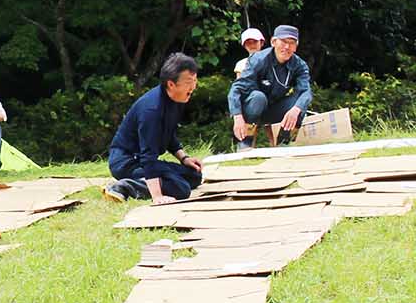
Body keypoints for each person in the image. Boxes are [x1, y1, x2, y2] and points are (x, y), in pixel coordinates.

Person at [107, 53, 204, 201]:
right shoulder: (151, 110)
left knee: (194, 175)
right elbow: (148, 155)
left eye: (195, 80)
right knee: (181, 189)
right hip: (127, 162)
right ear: (171, 84)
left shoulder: (176, 99)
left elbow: (168, 134)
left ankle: (143, 181)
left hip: (142, 160)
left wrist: (184, 158)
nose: (193, 87)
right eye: (188, 82)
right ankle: (124, 186)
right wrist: (157, 196)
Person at [228, 25, 312, 149]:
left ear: (296, 46)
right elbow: (236, 89)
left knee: (300, 102)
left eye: (292, 43)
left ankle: (284, 142)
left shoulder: (299, 65)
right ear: (273, 42)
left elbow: (306, 91)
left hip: (274, 108)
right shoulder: (258, 59)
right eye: (283, 42)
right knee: (258, 97)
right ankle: (245, 141)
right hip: (253, 107)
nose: (287, 47)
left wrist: (296, 109)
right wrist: (237, 116)